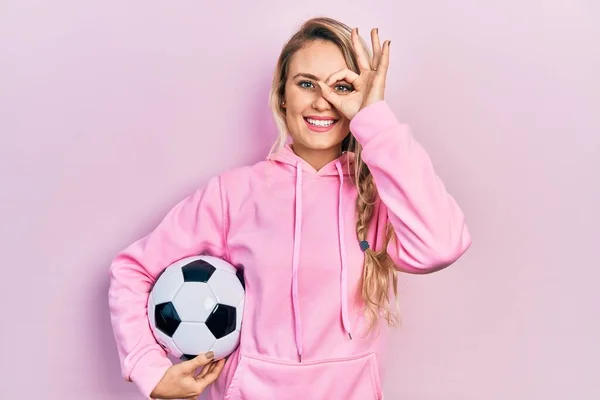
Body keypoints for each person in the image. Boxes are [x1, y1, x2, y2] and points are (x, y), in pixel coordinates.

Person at [108, 16, 472, 400]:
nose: (322, 101)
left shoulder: (378, 197)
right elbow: (132, 270)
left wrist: (374, 119)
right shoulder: (234, 193)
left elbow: (442, 244)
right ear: (283, 94)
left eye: (342, 86)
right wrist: (150, 369)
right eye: (306, 83)